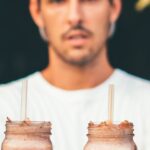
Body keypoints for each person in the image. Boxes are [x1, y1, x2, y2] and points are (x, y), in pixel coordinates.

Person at [0, 0, 150, 149]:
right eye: (58, 1)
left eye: (89, 1)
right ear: (37, 11)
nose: (75, 16)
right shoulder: (5, 104)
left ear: (114, 8)